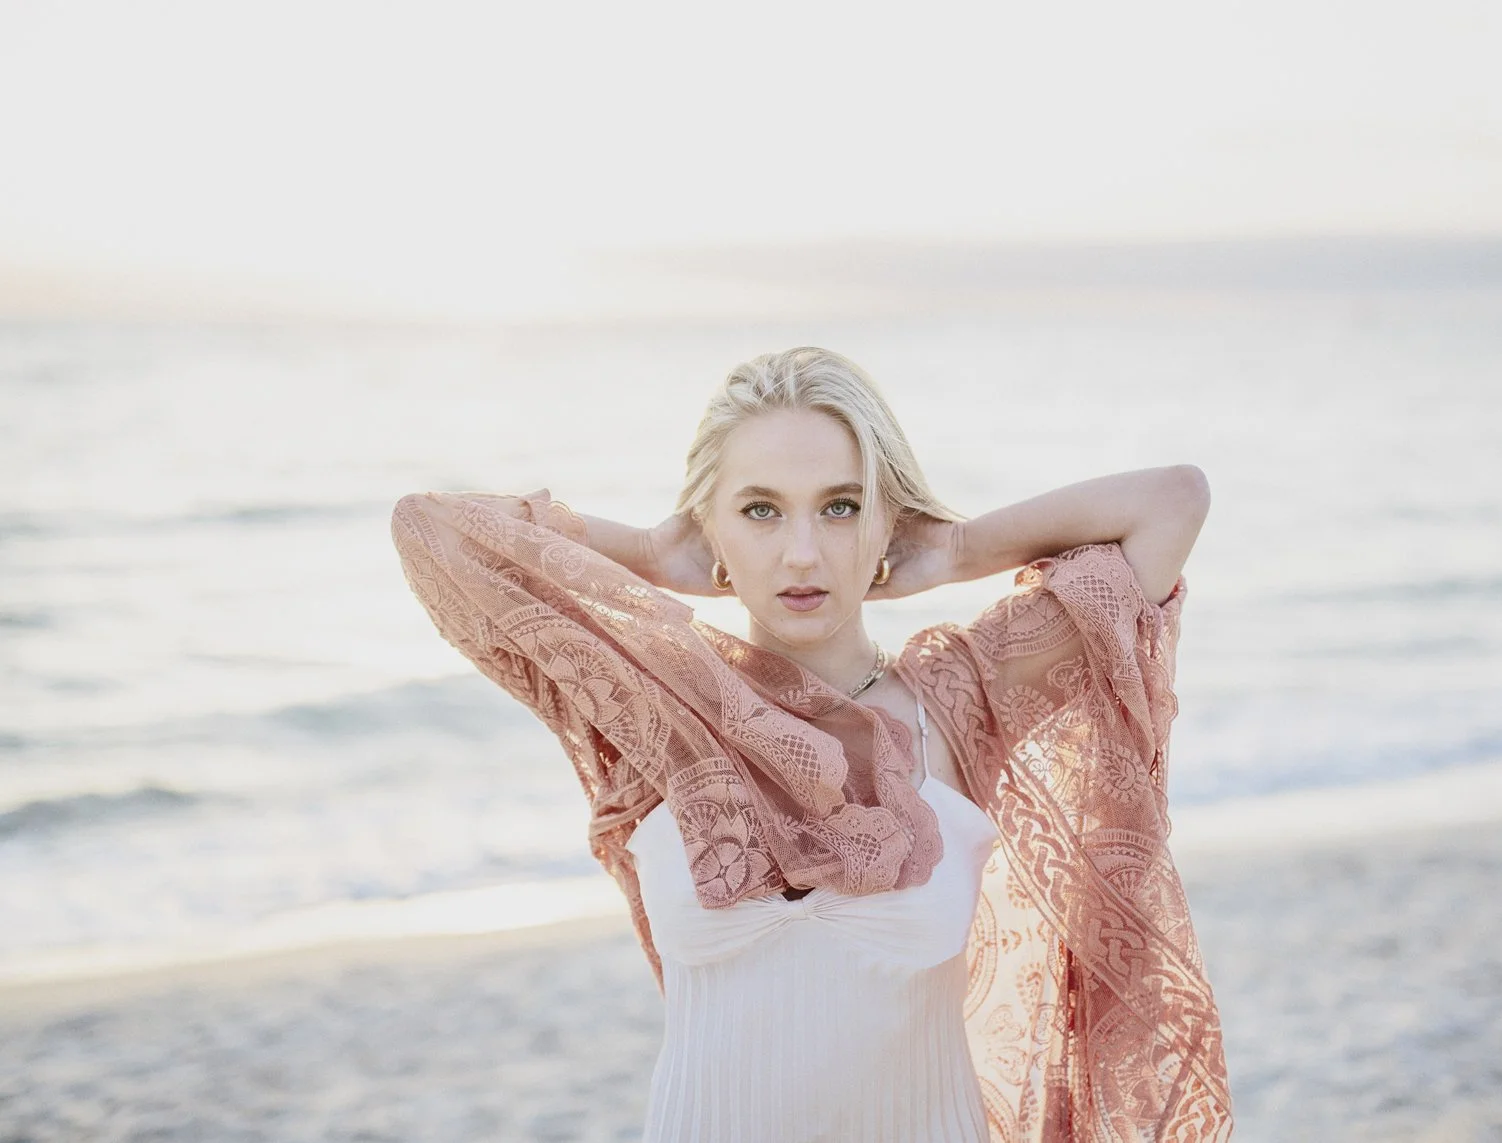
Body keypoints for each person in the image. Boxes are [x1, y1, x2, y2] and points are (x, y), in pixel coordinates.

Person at [389, 347, 1233, 1143]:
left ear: (885, 522)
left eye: (841, 506)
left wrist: (957, 548)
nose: (803, 551)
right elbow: (436, 532)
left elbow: (1171, 503)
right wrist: (648, 552)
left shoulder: (962, 700)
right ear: (708, 529)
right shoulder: (659, 708)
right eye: (759, 510)